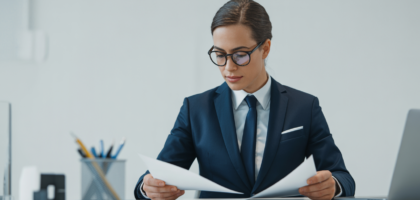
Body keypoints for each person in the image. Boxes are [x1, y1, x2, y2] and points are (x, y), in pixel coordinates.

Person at [134, 0, 355, 199]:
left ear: (265, 48)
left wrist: (333, 186)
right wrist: (149, 188)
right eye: (220, 55)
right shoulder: (196, 110)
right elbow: (153, 178)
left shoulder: (305, 107)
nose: (228, 67)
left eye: (240, 55)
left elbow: (342, 177)